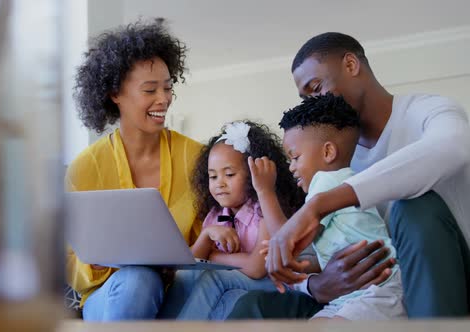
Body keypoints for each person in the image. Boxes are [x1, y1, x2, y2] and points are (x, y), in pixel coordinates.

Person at [230, 32, 470, 319]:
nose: (313, 104)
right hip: (359, 294)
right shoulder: (329, 157)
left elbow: (453, 147)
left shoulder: (428, 110)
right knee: (253, 309)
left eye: (316, 87)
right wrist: (319, 285)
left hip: (441, 278)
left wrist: (321, 205)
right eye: (305, 98)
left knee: (415, 206)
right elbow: (313, 246)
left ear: (351, 64)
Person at [65, 19, 204, 321]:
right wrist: (115, 264)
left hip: (179, 291)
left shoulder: (196, 157)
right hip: (114, 294)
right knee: (138, 279)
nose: (163, 99)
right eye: (150, 89)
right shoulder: (85, 168)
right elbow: (70, 263)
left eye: (167, 88)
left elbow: (214, 235)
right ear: (115, 93)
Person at [277, 93, 405, 320]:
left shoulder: (326, 181)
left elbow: (293, 240)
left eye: (295, 157)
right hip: (347, 298)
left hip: (375, 292)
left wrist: (278, 251)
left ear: (328, 152)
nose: (291, 167)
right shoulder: (345, 185)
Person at [173, 121, 304, 320]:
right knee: (186, 277)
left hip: (275, 285)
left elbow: (257, 268)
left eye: (229, 174)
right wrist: (207, 237)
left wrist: (213, 257)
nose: (220, 184)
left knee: (213, 278)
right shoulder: (216, 214)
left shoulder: (264, 211)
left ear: (254, 175)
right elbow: (188, 265)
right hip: (238, 285)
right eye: (213, 176)